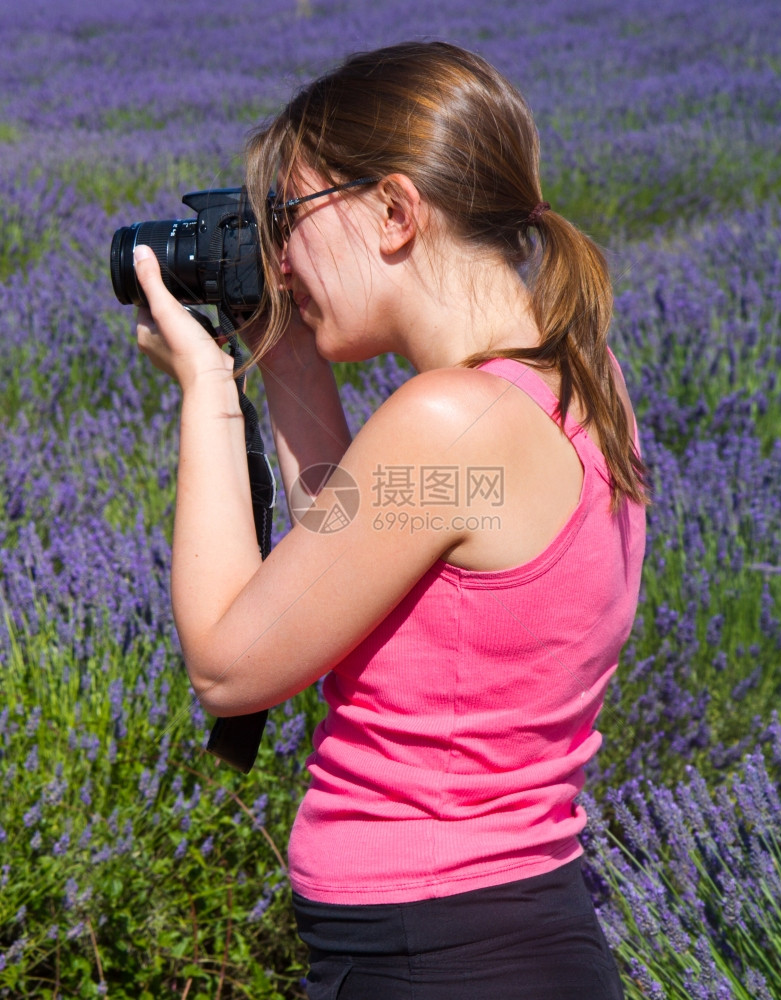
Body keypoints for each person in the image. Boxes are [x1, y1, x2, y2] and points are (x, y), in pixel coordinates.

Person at [134, 40, 647, 1000]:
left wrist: (208, 388)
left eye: (286, 215)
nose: (278, 251)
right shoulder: (566, 385)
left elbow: (228, 665)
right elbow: (352, 546)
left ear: (398, 211)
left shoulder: (451, 423)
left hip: (433, 956)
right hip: (506, 932)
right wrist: (282, 358)